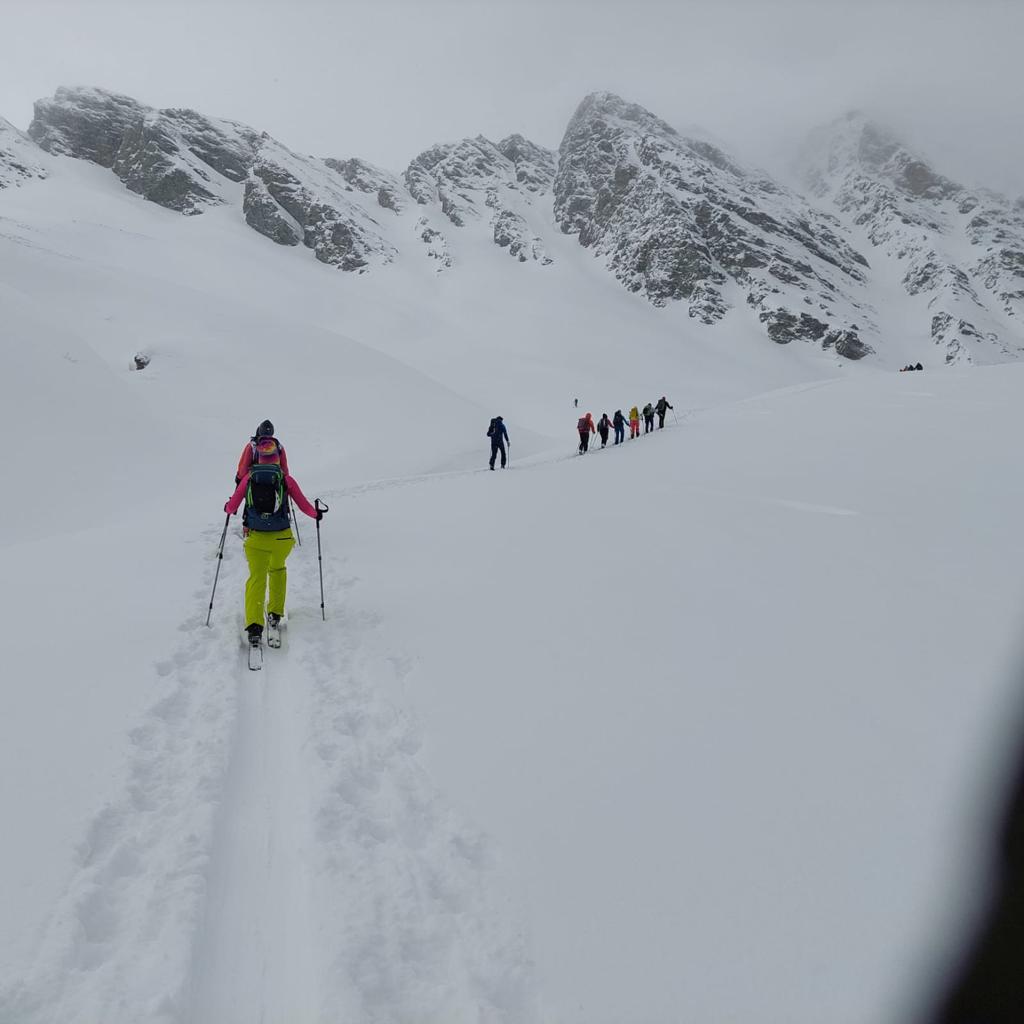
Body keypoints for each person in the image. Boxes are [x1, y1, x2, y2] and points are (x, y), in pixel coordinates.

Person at [224, 462, 324, 647]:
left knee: (257, 578)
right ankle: (275, 614)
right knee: (277, 570)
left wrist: (227, 507)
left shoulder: (249, 478)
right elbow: (304, 505)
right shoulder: (286, 479)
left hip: (256, 539)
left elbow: (232, 507)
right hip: (282, 539)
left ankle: (254, 626)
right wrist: (316, 514)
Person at [236, 419, 289, 484]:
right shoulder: (278, 446)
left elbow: (244, 466)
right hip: (274, 481)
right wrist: (286, 481)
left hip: (255, 480)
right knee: (292, 484)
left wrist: (239, 478)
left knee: (240, 489)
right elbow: (284, 468)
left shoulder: (253, 445)